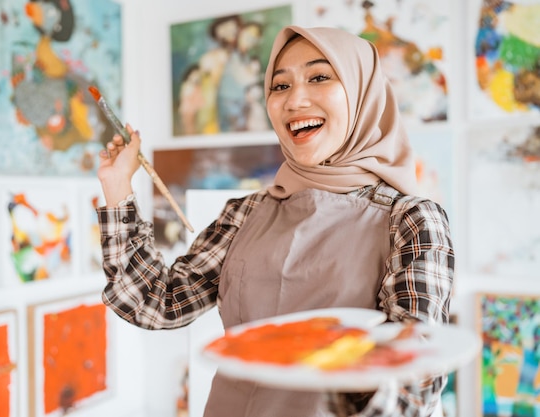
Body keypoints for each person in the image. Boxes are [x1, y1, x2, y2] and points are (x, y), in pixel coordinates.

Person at [95, 25, 454, 417]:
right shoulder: (243, 213)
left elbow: (413, 377)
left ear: (362, 94)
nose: (295, 99)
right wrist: (117, 187)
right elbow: (154, 303)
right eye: (279, 86)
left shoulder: (411, 219)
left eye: (319, 77)